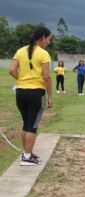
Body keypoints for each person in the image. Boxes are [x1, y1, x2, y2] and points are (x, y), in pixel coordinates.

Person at [9, 26, 53, 166]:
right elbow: (46, 77)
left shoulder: (20, 51)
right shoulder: (43, 54)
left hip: (20, 92)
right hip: (36, 93)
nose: (49, 42)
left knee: (26, 124)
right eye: (49, 39)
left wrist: (21, 81)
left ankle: (28, 153)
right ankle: (27, 157)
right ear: (42, 38)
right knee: (32, 125)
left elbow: (12, 70)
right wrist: (50, 96)